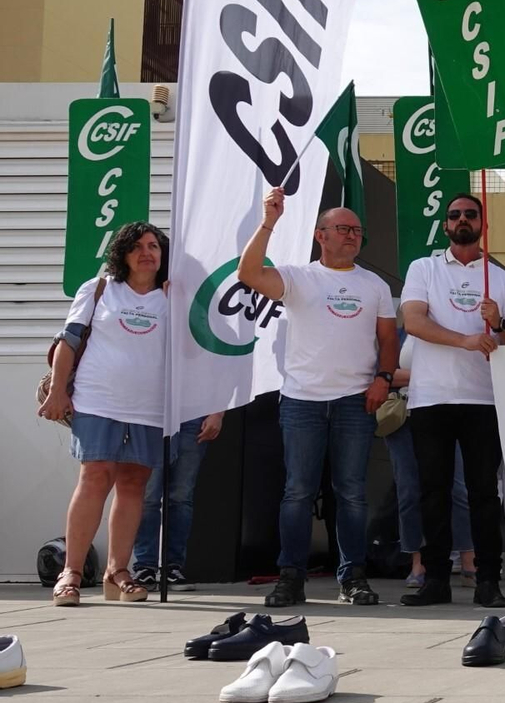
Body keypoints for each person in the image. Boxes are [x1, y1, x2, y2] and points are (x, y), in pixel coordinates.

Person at [238, 188, 398, 607]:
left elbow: (387, 338)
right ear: (319, 235)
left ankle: (353, 578)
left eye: (357, 231)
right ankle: (290, 578)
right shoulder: (297, 277)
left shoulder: (375, 285)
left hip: (354, 401)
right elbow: (249, 274)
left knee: (351, 493)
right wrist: (269, 222)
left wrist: (383, 377)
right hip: (302, 401)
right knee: (298, 492)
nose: (352, 236)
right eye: (343, 229)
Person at [398, 193, 505, 608]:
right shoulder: (424, 268)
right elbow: (414, 322)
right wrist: (467, 340)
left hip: (483, 399)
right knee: (433, 492)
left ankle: (488, 581)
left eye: (469, 214)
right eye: (453, 215)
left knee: (483, 495)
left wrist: (499, 323)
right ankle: (435, 579)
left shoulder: (502, 279)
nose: (461, 220)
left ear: (482, 223)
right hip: (431, 398)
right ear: (445, 225)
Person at [39, 222, 171, 604]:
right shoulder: (98, 290)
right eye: (137, 247)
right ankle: (71, 574)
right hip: (98, 401)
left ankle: (117, 573)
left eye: (154, 246)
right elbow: (69, 340)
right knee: (95, 478)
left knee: (133, 486)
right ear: (122, 254)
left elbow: (195, 355)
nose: (147, 253)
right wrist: (58, 391)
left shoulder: (173, 297)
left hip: (149, 407)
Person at [385, 329, 477, 590]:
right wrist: (427, 376)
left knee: (459, 489)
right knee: (409, 491)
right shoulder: (402, 335)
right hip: (403, 418)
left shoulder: (455, 328)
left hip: (448, 414)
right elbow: (385, 373)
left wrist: (414, 377)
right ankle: (418, 562)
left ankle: (469, 561)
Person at [131, 410, 223, 592]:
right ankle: (144, 566)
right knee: (148, 497)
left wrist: (218, 414)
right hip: (154, 415)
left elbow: (219, 380)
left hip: (194, 415)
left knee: (181, 497)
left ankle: (172, 567)